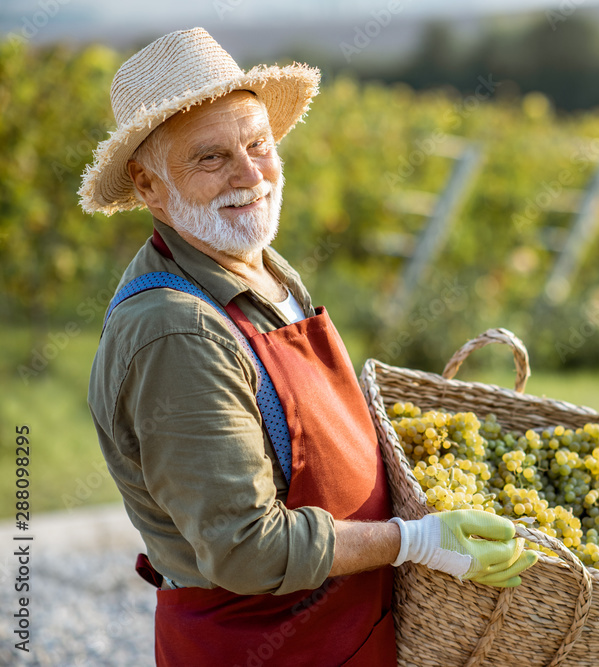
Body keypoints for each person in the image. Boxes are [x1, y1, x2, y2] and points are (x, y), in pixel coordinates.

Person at [81, 27, 536, 666]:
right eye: (210, 158)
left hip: (342, 630)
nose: (250, 175)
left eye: (259, 145)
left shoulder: (258, 265)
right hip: (264, 644)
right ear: (148, 186)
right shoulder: (176, 333)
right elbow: (246, 548)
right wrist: (417, 541)